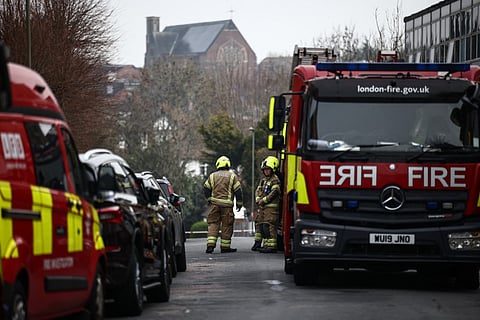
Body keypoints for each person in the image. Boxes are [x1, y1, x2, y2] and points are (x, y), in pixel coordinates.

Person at [203, 156, 243, 254]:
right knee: (227, 226)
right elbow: (238, 191)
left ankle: (210, 245)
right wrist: (239, 203)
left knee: (213, 223)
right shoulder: (232, 176)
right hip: (227, 206)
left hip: (215, 205)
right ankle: (225, 247)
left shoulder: (212, 176)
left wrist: (209, 199)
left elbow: (206, 188)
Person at [251, 156, 281, 253]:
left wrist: (264, 200)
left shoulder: (274, 180)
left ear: (273, 169)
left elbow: (275, 192)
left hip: (271, 209)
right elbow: (258, 190)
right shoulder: (264, 180)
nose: (266, 171)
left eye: (268, 169)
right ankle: (261, 243)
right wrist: (257, 198)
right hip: (263, 208)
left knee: (269, 226)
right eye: (264, 170)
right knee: (260, 225)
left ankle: (271, 246)